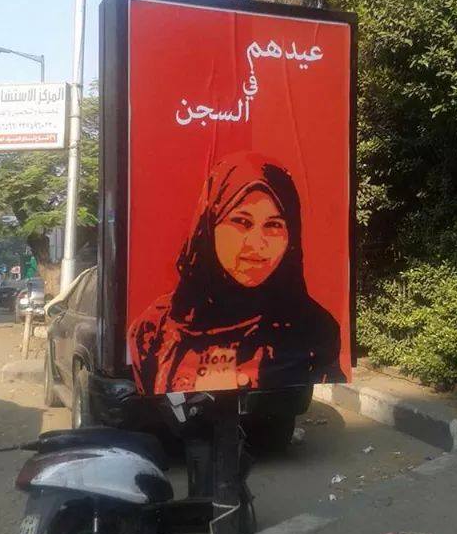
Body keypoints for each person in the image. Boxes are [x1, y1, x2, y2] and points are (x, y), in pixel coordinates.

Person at [128, 152, 346, 395]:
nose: (257, 244)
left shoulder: (315, 329)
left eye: (273, 225)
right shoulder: (155, 328)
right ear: (210, 225)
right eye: (242, 222)